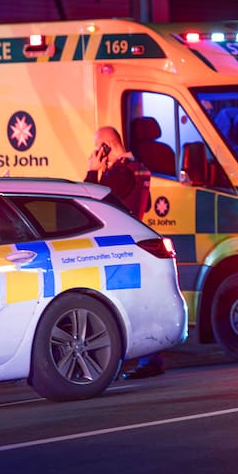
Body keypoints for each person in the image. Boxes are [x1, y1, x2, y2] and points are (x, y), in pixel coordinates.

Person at [85, 126, 160, 379]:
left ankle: (118, 363)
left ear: (106, 146)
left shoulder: (119, 173)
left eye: (98, 147)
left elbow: (91, 203)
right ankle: (150, 358)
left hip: (116, 245)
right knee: (137, 303)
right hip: (134, 240)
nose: (97, 153)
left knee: (120, 305)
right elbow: (145, 203)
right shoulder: (139, 167)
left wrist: (93, 171)